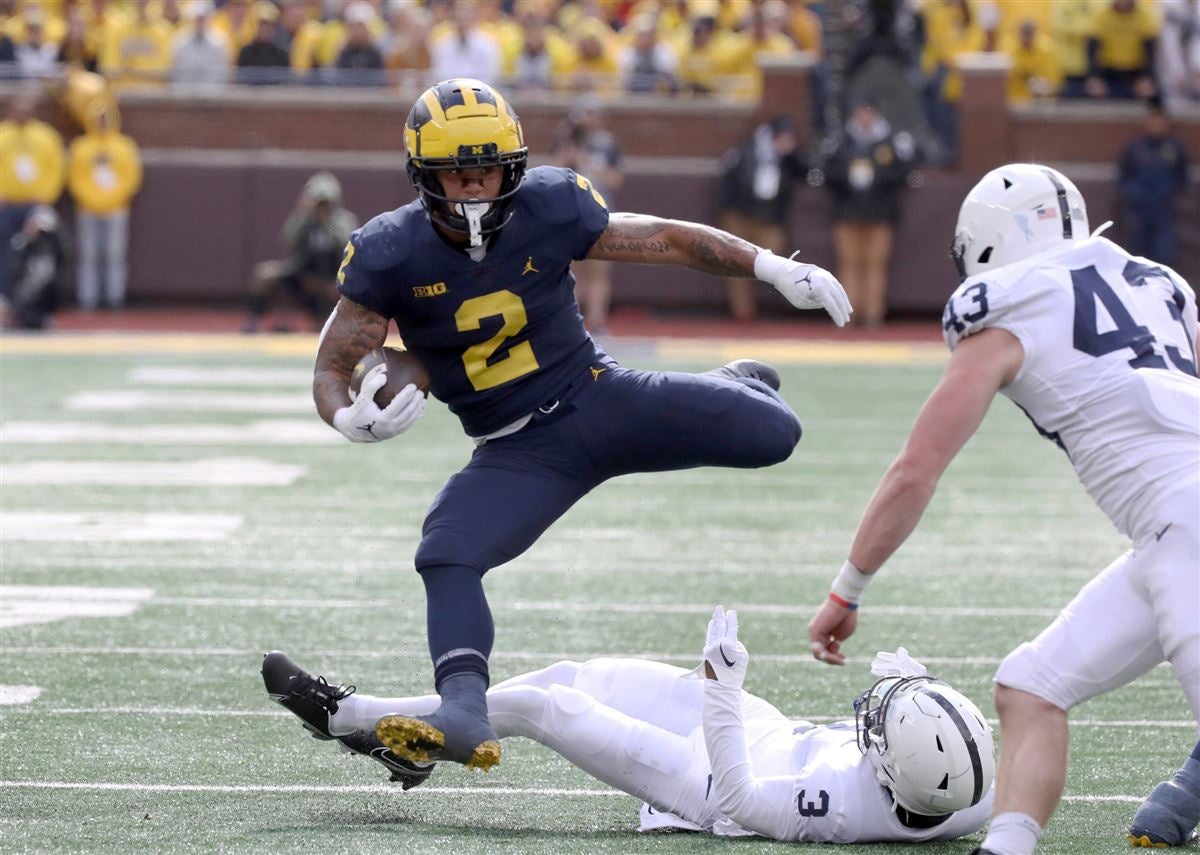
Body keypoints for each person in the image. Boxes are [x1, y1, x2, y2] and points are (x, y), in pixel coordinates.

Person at [288, 78, 850, 777]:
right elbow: (331, 363)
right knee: (446, 549)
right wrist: (348, 417)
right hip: (517, 449)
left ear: (514, 168)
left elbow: (665, 239)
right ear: (423, 176)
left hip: (597, 397)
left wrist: (768, 267)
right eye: (459, 175)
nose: (476, 190)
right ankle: (462, 705)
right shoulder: (388, 250)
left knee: (776, 434)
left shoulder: (552, 204)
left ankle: (731, 379)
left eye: (489, 171)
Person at [805, 163, 1199, 854]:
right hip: (1167, 537)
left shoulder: (1009, 304)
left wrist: (849, 586)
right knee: (1029, 684)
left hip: (1184, 529)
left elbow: (915, 469)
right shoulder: (1158, 283)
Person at [263, 607, 995, 842]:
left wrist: (722, 689)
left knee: (544, 708)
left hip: (712, 774)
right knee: (568, 677)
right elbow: (968, 768)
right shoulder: (962, 788)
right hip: (770, 731)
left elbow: (740, 800)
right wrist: (915, 688)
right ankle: (410, 746)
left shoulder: (836, 802)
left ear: (890, 776)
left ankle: (351, 718)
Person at [821, 101, 917, 327]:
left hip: (879, 213)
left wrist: (876, 177)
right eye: (859, 113)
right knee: (848, 263)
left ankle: (874, 315)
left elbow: (903, 174)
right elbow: (826, 173)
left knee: (876, 265)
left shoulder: (890, 141)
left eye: (868, 112)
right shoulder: (841, 141)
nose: (864, 117)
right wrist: (848, 178)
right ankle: (847, 314)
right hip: (847, 213)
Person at [242, 171, 357, 333]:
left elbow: (346, 246)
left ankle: (320, 320)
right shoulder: (304, 220)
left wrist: (326, 223)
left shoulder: (344, 222)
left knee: (322, 330)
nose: (321, 207)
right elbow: (289, 239)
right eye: (319, 203)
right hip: (302, 275)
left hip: (329, 282)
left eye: (325, 203)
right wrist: (303, 213)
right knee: (265, 275)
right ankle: (253, 321)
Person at [716, 116, 805, 322]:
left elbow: (807, 172)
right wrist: (729, 213)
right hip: (742, 215)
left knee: (776, 265)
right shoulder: (746, 151)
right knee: (738, 266)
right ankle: (743, 312)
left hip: (770, 219)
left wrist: (790, 156)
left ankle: (781, 310)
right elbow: (729, 182)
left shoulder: (788, 159)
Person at [548, 98, 623, 335]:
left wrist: (587, 162)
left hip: (600, 212)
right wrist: (568, 152)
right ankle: (572, 323)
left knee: (599, 271)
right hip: (569, 214)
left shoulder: (607, 144)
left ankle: (597, 321)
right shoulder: (565, 141)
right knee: (570, 271)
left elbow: (615, 180)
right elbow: (551, 174)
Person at [66, 105, 143, 311]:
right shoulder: (81, 146)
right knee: (88, 254)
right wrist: (91, 200)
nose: (101, 124)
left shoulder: (124, 146)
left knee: (115, 254)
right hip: (87, 208)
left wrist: (112, 200)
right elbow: (75, 178)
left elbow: (131, 177)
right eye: (98, 119)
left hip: (117, 208)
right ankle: (88, 298)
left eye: (105, 119)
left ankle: (114, 298)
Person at [0, 91, 65, 306]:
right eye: (17, 109)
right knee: (4, 250)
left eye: (26, 109)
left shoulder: (46, 136)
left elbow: (56, 169)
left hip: (37, 206)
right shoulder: (2, 135)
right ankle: (4, 298)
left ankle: (35, 303)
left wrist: (46, 197)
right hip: (7, 205)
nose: (22, 114)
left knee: (41, 253)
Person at [1117, 96, 1190, 266]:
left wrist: (1167, 191)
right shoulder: (1134, 148)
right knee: (1136, 256)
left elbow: (1182, 176)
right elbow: (1123, 176)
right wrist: (1133, 193)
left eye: (1160, 119)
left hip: (1164, 210)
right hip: (1137, 210)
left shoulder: (1174, 148)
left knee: (1164, 255)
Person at [0, 204, 68, 330]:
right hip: (20, 296)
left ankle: (37, 317)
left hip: (45, 299)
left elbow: (62, 259)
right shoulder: (20, 243)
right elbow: (12, 269)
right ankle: (16, 317)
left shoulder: (53, 248)